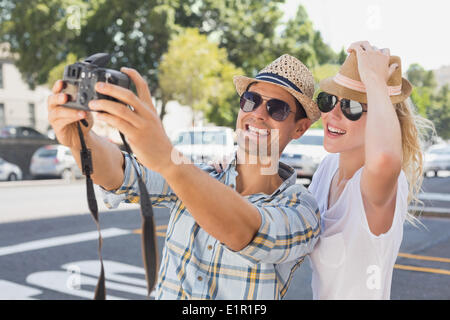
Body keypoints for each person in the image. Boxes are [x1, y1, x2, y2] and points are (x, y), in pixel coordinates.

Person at [47, 54, 321, 299]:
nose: (258, 114)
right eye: (251, 101)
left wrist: (168, 159)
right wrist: (80, 140)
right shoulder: (197, 175)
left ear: (300, 128)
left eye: (277, 109)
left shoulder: (302, 210)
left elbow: (246, 231)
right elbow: (121, 174)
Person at [307, 41, 432, 299]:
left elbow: (385, 156)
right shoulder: (327, 168)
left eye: (351, 107)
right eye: (329, 100)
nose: (332, 114)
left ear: (379, 114)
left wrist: (375, 81)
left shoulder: (378, 185)